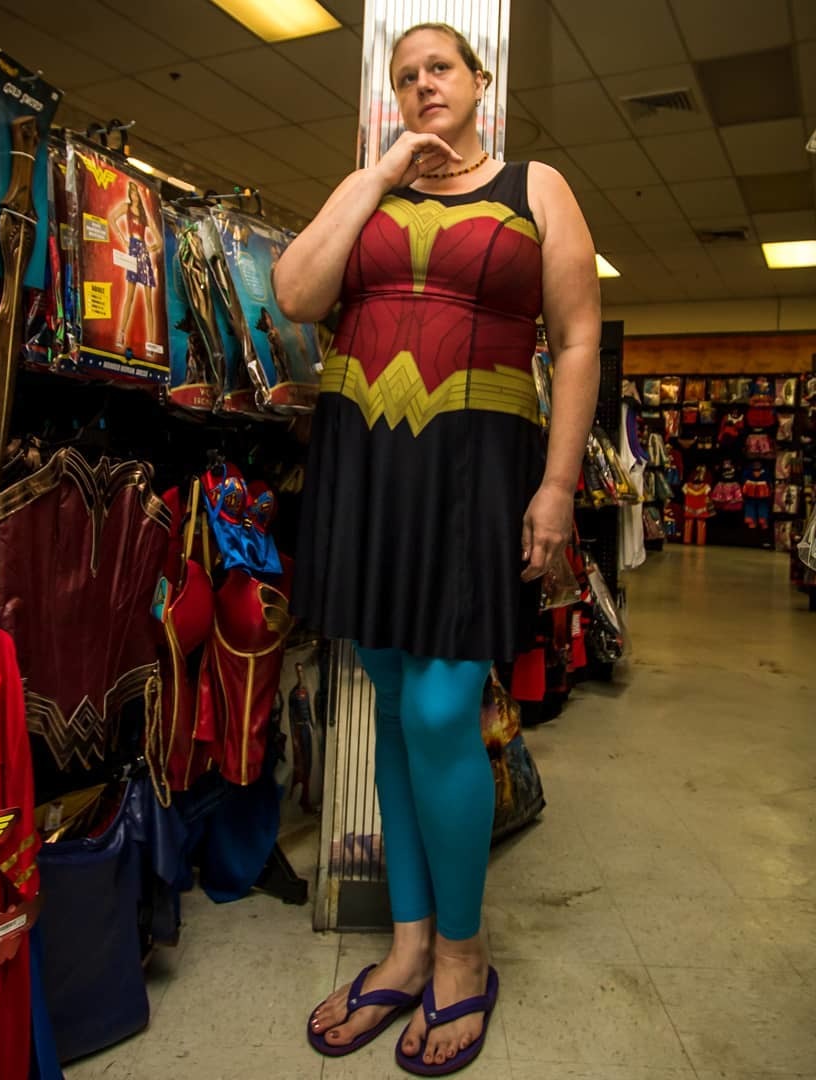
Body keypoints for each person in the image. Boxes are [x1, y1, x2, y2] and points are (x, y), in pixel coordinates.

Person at [274, 22, 601, 1076]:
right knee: (390, 705)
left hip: (477, 470)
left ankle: (464, 953)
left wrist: (558, 485)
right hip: (365, 467)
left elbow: (578, 338)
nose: (423, 85)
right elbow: (297, 295)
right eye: (406, 74)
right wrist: (375, 177)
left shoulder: (535, 186)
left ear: (479, 81)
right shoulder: (369, 188)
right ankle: (410, 945)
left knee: (438, 708)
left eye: (440, 68)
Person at [112, 181, 161, 353]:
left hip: (143, 252)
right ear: (129, 194)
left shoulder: (144, 215)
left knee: (148, 301)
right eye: (132, 192)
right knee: (130, 296)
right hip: (133, 249)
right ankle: (121, 333)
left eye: (136, 193)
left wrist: (151, 248)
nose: (135, 196)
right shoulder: (126, 207)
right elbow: (111, 218)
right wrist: (123, 239)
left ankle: (151, 343)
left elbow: (159, 240)